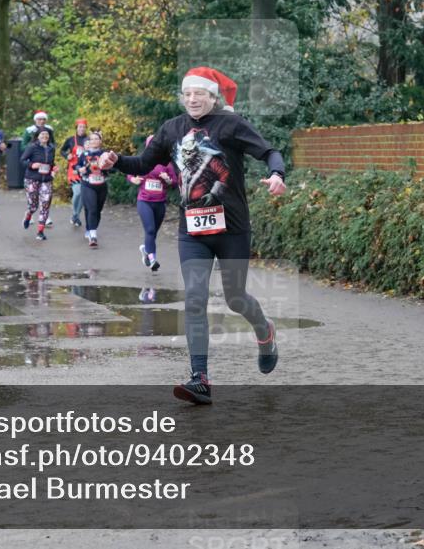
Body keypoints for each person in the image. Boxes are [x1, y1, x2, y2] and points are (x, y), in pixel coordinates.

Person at [99, 66, 287, 404]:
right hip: (193, 231)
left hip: (232, 229)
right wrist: (116, 161)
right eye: (187, 94)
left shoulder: (231, 124)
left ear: (213, 97)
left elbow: (269, 151)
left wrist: (276, 174)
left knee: (235, 298)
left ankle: (265, 331)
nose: (192, 99)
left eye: (198, 93)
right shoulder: (172, 129)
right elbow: (143, 164)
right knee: (195, 299)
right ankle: (200, 378)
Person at [127, 135, 177, 272]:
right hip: (144, 201)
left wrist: (168, 180)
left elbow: (174, 182)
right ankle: (152, 259)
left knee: (153, 233)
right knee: (149, 230)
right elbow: (129, 173)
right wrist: (133, 179)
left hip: (160, 203)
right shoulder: (142, 161)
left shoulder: (167, 164)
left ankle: (146, 250)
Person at [74, 130, 112, 247]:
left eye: (97, 139)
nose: (94, 141)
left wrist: (106, 167)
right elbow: (77, 166)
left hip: (101, 185)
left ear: (100, 141)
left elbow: (113, 168)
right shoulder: (84, 154)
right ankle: (93, 235)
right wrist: (80, 169)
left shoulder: (105, 154)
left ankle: (90, 228)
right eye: (92, 139)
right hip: (87, 184)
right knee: (92, 208)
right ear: (89, 142)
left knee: (97, 210)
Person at [20, 128, 57, 240]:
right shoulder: (32, 147)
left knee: (45, 204)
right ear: (37, 136)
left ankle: (40, 232)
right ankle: (28, 214)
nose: (45, 136)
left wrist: (54, 168)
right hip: (32, 179)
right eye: (42, 134)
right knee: (33, 206)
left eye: (47, 134)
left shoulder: (51, 148)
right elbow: (22, 160)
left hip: (46, 180)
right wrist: (32, 165)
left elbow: (51, 163)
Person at [60, 118, 88, 227]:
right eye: (80, 127)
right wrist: (67, 155)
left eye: (84, 127)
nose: (82, 129)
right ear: (76, 128)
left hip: (85, 169)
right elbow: (62, 150)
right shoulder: (71, 140)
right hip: (74, 170)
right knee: (77, 192)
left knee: (83, 194)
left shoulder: (89, 139)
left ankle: (75, 216)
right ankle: (75, 215)